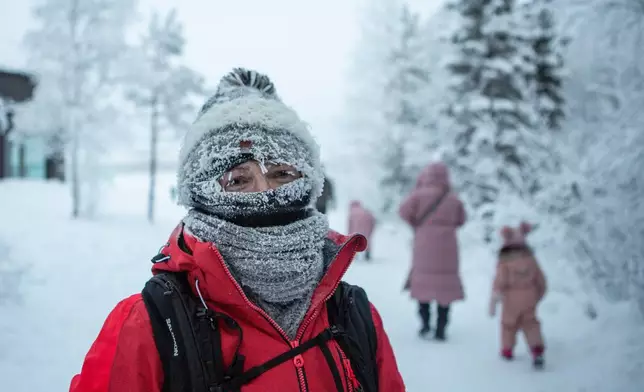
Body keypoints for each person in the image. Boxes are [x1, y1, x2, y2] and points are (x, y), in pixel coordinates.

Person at [69, 68, 405, 392]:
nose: (266, 193)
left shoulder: (354, 315)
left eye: (282, 174)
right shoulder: (151, 325)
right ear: (202, 192)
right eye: (238, 180)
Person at [399, 161, 466, 341]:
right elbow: (462, 219)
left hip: (424, 243)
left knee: (423, 284)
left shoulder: (418, 195)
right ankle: (441, 328)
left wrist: (417, 224)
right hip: (448, 247)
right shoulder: (453, 198)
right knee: (445, 287)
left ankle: (425, 324)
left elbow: (403, 211)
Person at [489, 222, 547, 369]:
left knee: (508, 325)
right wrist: (537, 296)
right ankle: (537, 350)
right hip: (529, 296)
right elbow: (541, 280)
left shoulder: (505, 262)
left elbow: (499, 282)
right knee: (531, 323)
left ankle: (507, 350)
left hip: (510, 299)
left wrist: (494, 301)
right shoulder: (530, 259)